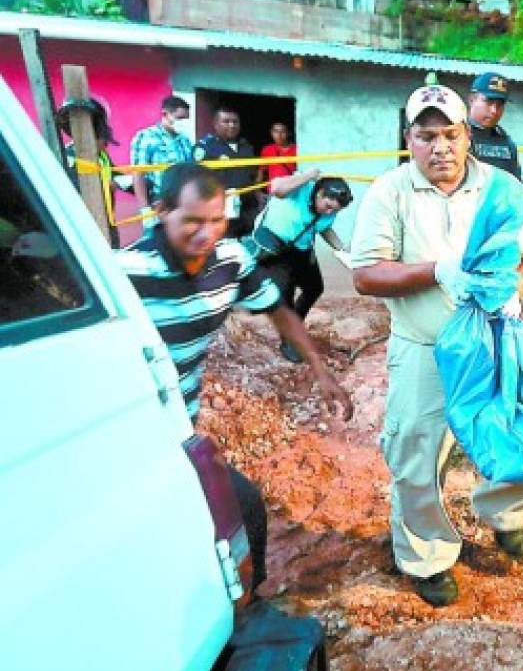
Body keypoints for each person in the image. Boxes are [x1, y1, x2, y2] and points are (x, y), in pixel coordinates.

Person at [349, 84, 523, 607]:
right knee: (416, 453)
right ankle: (428, 554)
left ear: (468, 136)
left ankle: (505, 514)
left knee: (519, 436)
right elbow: (366, 275)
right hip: (425, 347)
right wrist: (437, 272)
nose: (439, 146)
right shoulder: (389, 192)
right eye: (426, 136)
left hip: (493, 338)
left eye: (450, 134)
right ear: (409, 139)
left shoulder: (501, 188)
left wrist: (512, 291)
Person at [116, 162, 353, 591]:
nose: (206, 234)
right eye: (192, 221)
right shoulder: (124, 275)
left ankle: (249, 602)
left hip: (180, 430)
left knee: (242, 509)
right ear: (159, 211)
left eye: (215, 220)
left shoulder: (230, 259)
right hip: (128, 437)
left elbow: (278, 306)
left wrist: (321, 371)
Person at [245, 171, 353, 363]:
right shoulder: (298, 189)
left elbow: (323, 227)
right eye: (328, 206)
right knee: (284, 294)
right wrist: (308, 174)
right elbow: (277, 189)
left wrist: (342, 248)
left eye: (334, 210)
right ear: (318, 192)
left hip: (301, 249)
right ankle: (289, 340)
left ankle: (294, 326)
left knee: (314, 287)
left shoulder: (328, 212)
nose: (329, 212)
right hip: (275, 248)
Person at [56, 98, 121, 247]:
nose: (104, 147)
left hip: (107, 231)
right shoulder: (67, 159)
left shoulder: (102, 158)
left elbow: (119, 178)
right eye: (102, 140)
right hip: (82, 234)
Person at [194, 107, 259, 239]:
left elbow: (254, 173)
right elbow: (197, 180)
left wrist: (257, 193)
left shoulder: (246, 146)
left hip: (247, 209)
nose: (232, 125)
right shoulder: (206, 148)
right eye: (226, 121)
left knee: (249, 244)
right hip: (220, 211)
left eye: (235, 122)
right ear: (216, 124)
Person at [130, 95, 193, 215]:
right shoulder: (146, 137)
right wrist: (145, 209)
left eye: (186, 119)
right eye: (179, 118)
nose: (183, 123)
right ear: (165, 114)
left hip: (184, 199)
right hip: (159, 200)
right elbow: (138, 174)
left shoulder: (185, 140)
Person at [466, 71, 522, 179]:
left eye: (500, 105)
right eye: (489, 102)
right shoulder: (455, 136)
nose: (494, 111)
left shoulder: (507, 143)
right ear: (471, 99)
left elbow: (516, 185)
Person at [257, 121, 298, 190]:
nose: (279, 135)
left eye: (283, 131)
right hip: (273, 192)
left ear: (288, 133)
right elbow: (261, 172)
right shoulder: (267, 150)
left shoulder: (297, 149)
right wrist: (257, 192)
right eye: (275, 131)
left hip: (292, 190)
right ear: (271, 133)